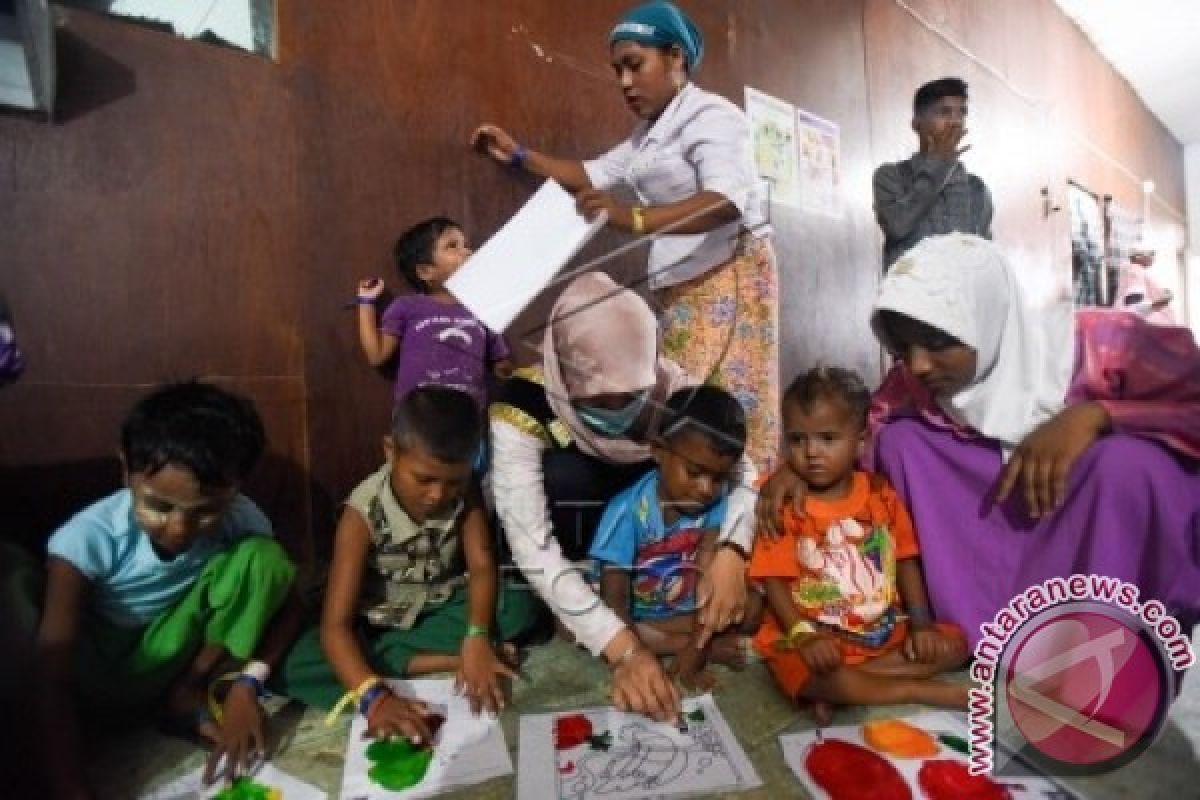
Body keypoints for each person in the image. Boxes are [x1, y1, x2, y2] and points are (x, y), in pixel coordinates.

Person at [758, 233, 1200, 651]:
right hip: (987, 556)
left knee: (1129, 465)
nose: (920, 365)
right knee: (902, 441)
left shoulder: (1105, 343)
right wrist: (795, 470)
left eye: (937, 342)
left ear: (985, 318)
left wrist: (1095, 415)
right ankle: (968, 630)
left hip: (1085, 538)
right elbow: (862, 430)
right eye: (903, 349)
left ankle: (1110, 645)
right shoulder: (915, 381)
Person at [472, 0, 780, 473]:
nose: (625, 83)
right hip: (683, 285)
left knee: (729, 405)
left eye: (635, 65)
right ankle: (691, 515)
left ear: (676, 57)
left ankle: (746, 515)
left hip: (728, 276)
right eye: (617, 70)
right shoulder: (645, 136)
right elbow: (590, 173)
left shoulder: (713, 116)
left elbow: (726, 201)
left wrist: (633, 219)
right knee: (684, 404)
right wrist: (519, 156)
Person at [489, 271, 756, 724]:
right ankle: (579, 603)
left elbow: (745, 471)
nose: (618, 413)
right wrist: (624, 649)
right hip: (579, 536)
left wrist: (732, 549)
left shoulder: (667, 389)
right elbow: (532, 545)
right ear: (566, 378)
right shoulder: (524, 405)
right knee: (565, 477)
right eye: (600, 400)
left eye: (631, 397)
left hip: (658, 519)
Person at [31, 381, 303, 797]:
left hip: (176, 661)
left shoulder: (243, 520)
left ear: (237, 487)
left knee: (264, 559)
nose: (179, 529)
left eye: (207, 511)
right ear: (125, 469)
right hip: (101, 672)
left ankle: (185, 694)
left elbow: (292, 602)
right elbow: (52, 674)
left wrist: (249, 684)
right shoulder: (88, 538)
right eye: (159, 506)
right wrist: (72, 789)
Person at [273, 387, 539, 738]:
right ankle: (442, 661)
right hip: (376, 620)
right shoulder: (361, 513)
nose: (437, 495)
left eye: (452, 483)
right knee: (294, 664)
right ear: (390, 451)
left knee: (520, 605)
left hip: (439, 605)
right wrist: (376, 700)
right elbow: (336, 626)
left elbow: (481, 567)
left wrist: (476, 635)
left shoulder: (468, 488)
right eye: (424, 479)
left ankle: (457, 653)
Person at [750, 367, 967, 724]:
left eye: (828, 438)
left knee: (957, 644)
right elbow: (773, 581)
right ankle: (915, 689)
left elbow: (906, 560)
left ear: (861, 441)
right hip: (818, 641)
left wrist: (922, 624)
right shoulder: (785, 504)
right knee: (792, 669)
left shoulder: (881, 493)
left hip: (884, 633)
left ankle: (855, 687)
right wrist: (804, 637)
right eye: (798, 440)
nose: (812, 453)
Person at [590, 385, 761, 689]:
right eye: (694, 472)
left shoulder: (717, 505)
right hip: (642, 618)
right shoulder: (625, 512)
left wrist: (696, 646)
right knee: (593, 626)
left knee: (752, 607)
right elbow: (614, 597)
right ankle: (697, 645)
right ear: (658, 450)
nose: (706, 488)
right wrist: (635, 656)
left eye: (719, 477)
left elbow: (709, 578)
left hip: (691, 611)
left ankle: (699, 644)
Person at [355, 217, 512, 410]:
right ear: (425, 271)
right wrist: (366, 302)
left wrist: (513, 374)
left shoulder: (482, 309)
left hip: (469, 422)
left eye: (466, 245)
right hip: (420, 420)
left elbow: (501, 364)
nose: (468, 252)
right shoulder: (408, 306)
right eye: (453, 246)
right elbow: (377, 355)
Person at [873, 78, 993, 270]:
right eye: (944, 112)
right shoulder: (890, 176)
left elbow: (985, 257)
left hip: (960, 297)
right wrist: (939, 164)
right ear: (916, 123)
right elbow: (897, 226)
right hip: (908, 297)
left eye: (962, 113)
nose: (955, 122)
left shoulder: (976, 187)